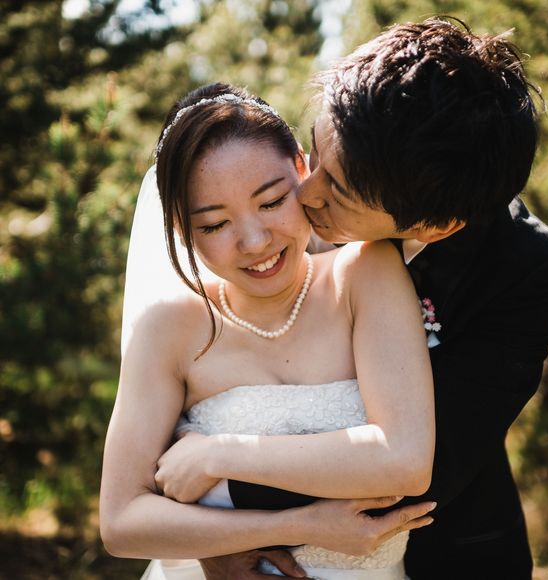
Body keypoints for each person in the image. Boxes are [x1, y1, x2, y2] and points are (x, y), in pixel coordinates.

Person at [156, 18, 548, 580]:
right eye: (314, 153)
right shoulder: (285, 186)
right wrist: (206, 541)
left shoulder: (526, 269)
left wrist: (221, 498)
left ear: (435, 226)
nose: (304, 192)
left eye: (339, 191)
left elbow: (426, 466)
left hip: (440, 554)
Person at [99, 82, 438, 580]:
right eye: (215, 225)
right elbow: (121, 522)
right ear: (180, 228)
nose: (255, 242)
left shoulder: (364, 274)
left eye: (272, 201)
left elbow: (406, 461)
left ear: (303, 170)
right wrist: (299, 525)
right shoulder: (169, 327)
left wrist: (218, 454)